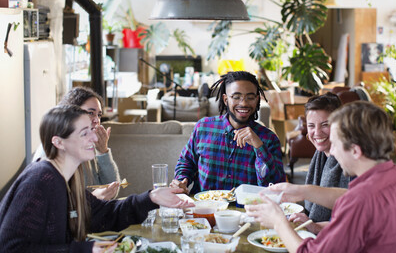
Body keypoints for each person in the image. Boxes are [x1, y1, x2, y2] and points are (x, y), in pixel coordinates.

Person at [0, 105, 193, 252]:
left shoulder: (68, 180)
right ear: (58, 142)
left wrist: (152, 197)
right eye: (84, 133)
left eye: (91, 130)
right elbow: (11, 248)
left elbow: (107, 214)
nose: (94, 138)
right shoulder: (41, 179)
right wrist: (86, 249)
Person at [246, 101, 396, 253]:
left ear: (355, 151)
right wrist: (302, 191)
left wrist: (278, 222)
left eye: (336, 144)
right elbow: (351, 198)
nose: (331, 151)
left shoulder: (360, 201)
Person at [171, 71, 286, 194]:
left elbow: (276, 186)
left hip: (248, 211)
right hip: (205, 208)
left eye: (250, 97)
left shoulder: (269, 139)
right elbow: (186, 162)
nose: (244, 103)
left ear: (257, 99)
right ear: (225, 99)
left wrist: (259, 148)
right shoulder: (203, 127)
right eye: (236, 97)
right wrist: (182, 180)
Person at [34, 87, 120, 200]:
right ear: (71, 113)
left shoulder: (88, 143)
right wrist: (92, 199)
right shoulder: (54, 149)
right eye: (90, 113)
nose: (96, 120)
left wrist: (103, 151)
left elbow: (112, 192)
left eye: (99, 115)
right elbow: (55, 205)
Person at [289, 93, 350, 234]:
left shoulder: (350, 161)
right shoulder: (320, 154)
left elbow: (350, 218)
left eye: (325, 125)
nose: (317, 133)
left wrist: (314, 226)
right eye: (311, 126)